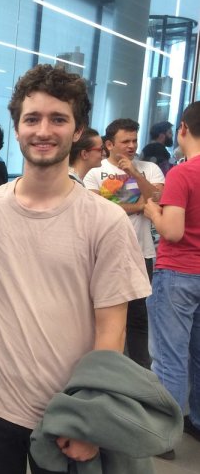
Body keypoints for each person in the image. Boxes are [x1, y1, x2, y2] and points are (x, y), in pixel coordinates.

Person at [0, 64, 150, 474]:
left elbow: (112, 331)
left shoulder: (106, 221)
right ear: (16, 128)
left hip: (68, 412)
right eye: (32, 119)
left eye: (58, 119)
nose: (43, 131)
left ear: (78, 130)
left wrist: (90, 418)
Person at [83, 118, 165, 368]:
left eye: (134, 140)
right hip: (103, 254)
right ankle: (101, 369)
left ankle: (140, 372)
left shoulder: (149, 169)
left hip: (142, 253)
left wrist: (134, 174)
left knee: (139, 318)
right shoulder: (94, 172)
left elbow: (157, 200)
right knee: (102, 315)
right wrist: (139, 206)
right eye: (125, 141)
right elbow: (97, 210)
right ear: (109, 144)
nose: (131, 146)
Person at [144, 101, 200, 457]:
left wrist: (153, 211)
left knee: (169, 356)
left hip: (178, 271)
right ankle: (196, 421)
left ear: (183, 128)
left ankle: (164, 435)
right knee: (198, 355)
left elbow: (173, 231)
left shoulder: (183, 173)